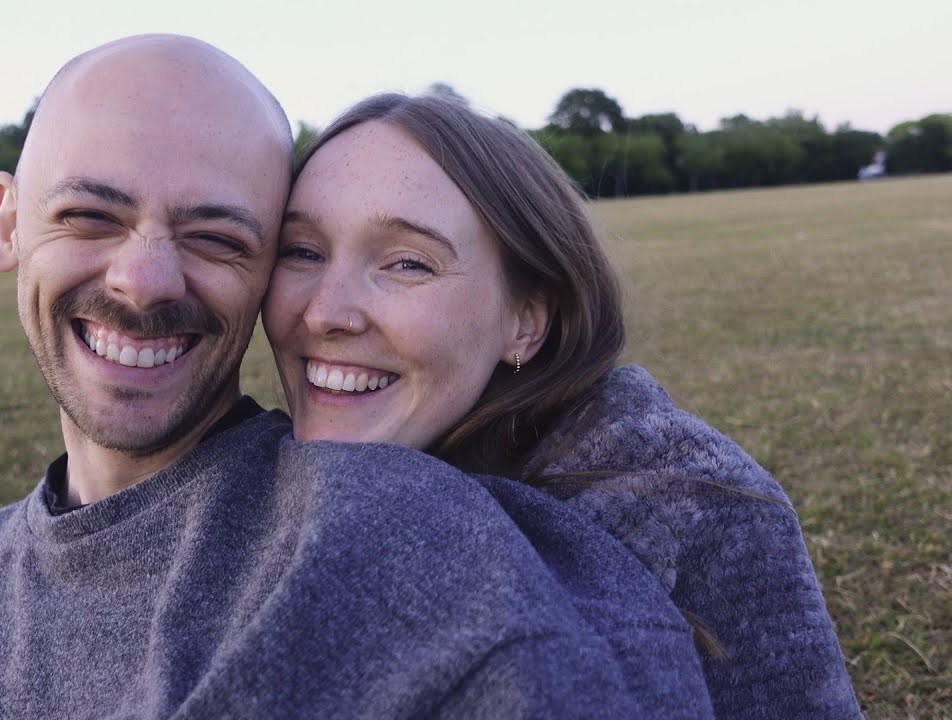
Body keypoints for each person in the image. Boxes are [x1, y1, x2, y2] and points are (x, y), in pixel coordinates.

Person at [0, 37, 714, 718]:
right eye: (91, 216)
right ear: (8, 223)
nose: (144, 281)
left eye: (216, 237)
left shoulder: (403, 542)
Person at [262, 92, 863, 719]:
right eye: (302, 251)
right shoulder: (244, 483)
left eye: (408, 264)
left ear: (526, 321)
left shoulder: (694, 507)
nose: (324, 312)